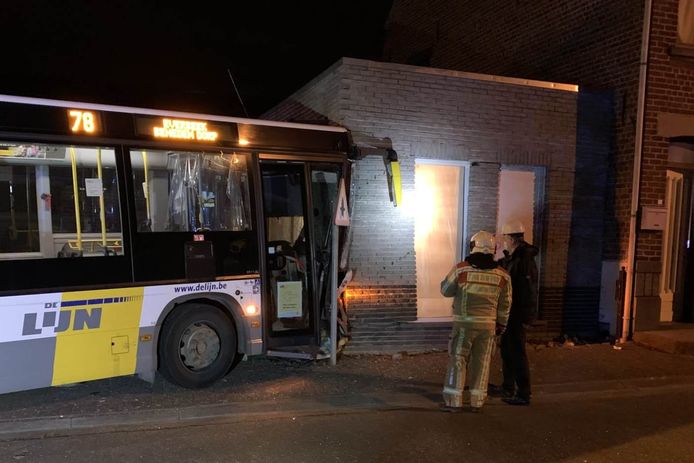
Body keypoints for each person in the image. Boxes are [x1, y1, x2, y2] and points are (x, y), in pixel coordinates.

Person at [440, 231, 512, 413]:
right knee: (482, 362)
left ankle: (453, 400)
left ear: (473, 247)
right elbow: (506, 303)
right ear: (493, 250)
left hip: (464, 325)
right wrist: (501, 325)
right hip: (488, 328)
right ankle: (477, 401)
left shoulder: (461, 269)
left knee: (458, 360)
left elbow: (446, 290)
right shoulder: (503, 275)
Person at [494, 220, 539, 406]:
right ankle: (507, 386)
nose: (504, 241)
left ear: (511, 238)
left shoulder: (524, 260)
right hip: (511, 312)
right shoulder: (514, 258)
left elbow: (527, 290)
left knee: (517, 351)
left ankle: (523, 393)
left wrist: (526, 316)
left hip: (517, 313)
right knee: (507, 349)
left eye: (505, 237)